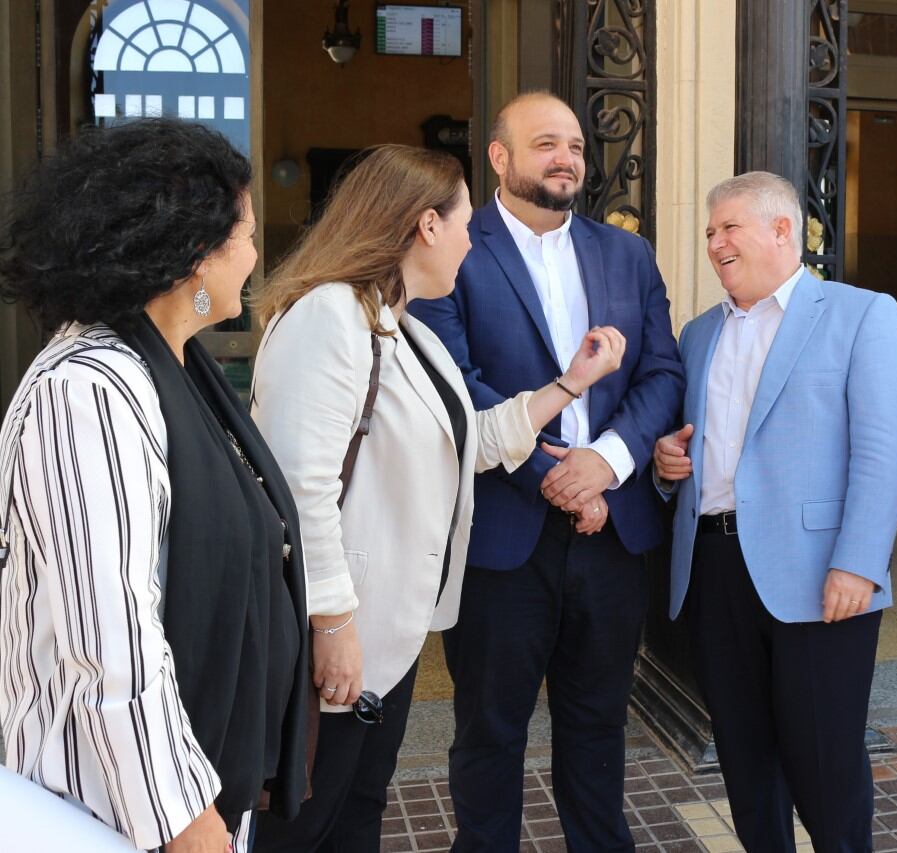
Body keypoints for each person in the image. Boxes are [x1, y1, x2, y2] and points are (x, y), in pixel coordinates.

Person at [249, 145, 626, 852]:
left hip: (384, 644)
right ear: (425, 225)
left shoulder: (404, 328)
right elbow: (301, 487)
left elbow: (472, 439)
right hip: (337, 643)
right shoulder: (330, 316)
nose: (471, 239)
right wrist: (332, 626)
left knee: (355, 815)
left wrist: (570, 383)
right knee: (301, 826)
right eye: (464, 222)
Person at [0, 119, 310, 852]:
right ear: (196, 253)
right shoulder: (89, 389)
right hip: (114, 809)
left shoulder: (177, 369)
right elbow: (110, 643)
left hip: (187, 788)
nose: (255, 256)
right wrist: (184, 820)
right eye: (246, 235)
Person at [409, 91, 684, 851]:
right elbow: (451, 381)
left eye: (575, 145)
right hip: (503, 538)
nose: (567, 158)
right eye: (545, 144)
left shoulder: (626, 253)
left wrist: (607, 463)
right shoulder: (454, 247)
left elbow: (661, 372)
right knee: (490, 731)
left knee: (598, 729)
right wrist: (554, 479)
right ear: (499, 157)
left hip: (613, 536)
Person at [652, 171, 897, 853]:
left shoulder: (862, 313)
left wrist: (858, 560)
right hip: (714, 569)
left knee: (826, 766)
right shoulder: (698, 332)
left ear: (782, 230)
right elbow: (690, 446)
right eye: (709, 232)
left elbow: (883, 450)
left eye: (728, 227)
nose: (715, 243)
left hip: (819, 577)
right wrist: (665, 466)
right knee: (745, 761)